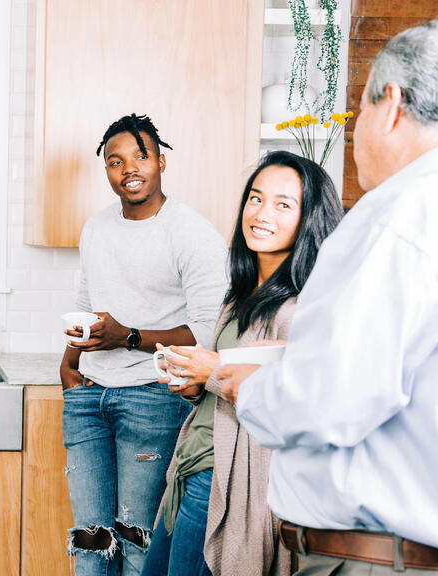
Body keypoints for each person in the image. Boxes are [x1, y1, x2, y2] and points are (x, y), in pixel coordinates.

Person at [219, 21, 438, 575]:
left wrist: (253, 389)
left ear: (390, 105)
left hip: (373, 558)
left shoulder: (394, 219)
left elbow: (332, 398)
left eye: (357, 113)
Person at [141, 151, 343, 576]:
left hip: (225, 485)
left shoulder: (302, 309)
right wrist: (196, 384)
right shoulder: (240, 298)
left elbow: (296, 403)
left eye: (283, 204)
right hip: (190, 469)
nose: (261, 213)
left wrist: (212, 372)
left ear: (310, 219)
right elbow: (230, 388)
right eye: (255, 198)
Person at [60, 113, 228, 576]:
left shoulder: (193, 234)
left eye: (140, 156)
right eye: (115, 161)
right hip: (88, 396)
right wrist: (69, 365)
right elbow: (86, 302)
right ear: (107, 171)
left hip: (153, 398)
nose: (128, 168)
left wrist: (128, 337)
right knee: (91, 541)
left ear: (161, 162)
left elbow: (205, 334)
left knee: (138, 541)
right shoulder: (96, 227)